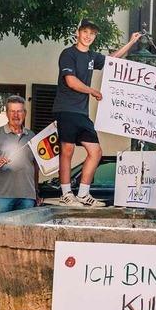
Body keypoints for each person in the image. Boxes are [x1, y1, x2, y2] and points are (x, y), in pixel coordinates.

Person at [53, 18, 142, 207]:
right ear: (78, 33)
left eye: (92, 33)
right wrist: (92, 91)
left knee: (96, 151)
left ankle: (83, 194)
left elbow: (112, 60)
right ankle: (66, 194)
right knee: (67, 150)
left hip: (82, 113)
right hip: (66, 108)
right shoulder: (68, 54)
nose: (88, 36)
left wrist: (132, 42)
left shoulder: (92, 56)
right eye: (85, 32)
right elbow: (71, 81)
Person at [0, 95, 39, 213]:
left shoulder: (32, 136)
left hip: (27, 195)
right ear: (7, 113)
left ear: (25, 113)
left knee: (24, 231)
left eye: (19, 111)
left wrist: (36, 192)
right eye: (12, 111)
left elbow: (35, 165)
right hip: (3, 195)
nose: (16, 115)